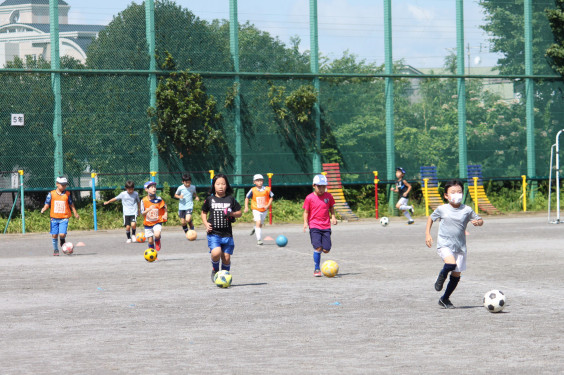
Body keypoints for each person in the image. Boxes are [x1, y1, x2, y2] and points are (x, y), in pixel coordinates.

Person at [425, 179, 483, 309]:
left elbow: (480, 220)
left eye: (459, 192)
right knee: (450, 264)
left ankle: (445, 299)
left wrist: (478, 222)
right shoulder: (442, 209)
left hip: (460, 247)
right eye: (453, 192)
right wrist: (427, 234)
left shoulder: (467, 210)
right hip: (444, 244)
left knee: (456, 275)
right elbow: (431, 218)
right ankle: (442, 275)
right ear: (446, 195)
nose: (457, 194)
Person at [201, 173, 242, 282]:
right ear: (213, 185)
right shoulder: (210, 199)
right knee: (216, 253)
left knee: (226, 258)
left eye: (223, 184)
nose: (220, 186)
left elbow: (239, 213)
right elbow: (203, 212)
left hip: (227, 234)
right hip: (213, 233)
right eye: (218, 184)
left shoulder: (230, 199)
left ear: (227, 186)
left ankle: (224, 277)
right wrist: (206, 224)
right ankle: (215, 270)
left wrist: (232, 214)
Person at [303, 174, 338, 277]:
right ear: (314, 185)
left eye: (324, 186)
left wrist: (333, 217)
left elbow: (331, 207)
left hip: (326, 226)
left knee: (326, 250)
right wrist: (305, 222)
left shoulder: (329, 196)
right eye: (319, 186)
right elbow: (306, 212)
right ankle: (317, 268)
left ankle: (319, 253)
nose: (322, 189)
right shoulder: (309, 198)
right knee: (318, 248)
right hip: (314, 225)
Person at [40, 176, 80, 256]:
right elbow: (47, 204)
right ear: (57, 184)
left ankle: (62, 240)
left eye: (65, 185)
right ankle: (55, 249)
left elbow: (71, 204)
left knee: (62, 234)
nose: (64, 186)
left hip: (64, 217)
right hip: (54, 218)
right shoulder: (51, 194)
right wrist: (44, 209)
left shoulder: (67, 194)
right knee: (54, 235)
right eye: (62, 184)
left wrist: (75, 212)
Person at [244, 174, 274, 245]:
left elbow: (271, 197)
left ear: (263, 181)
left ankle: (255, 228)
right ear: (254, 182)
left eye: (261, 180)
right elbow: (247, 198)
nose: (260, 182)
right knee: (258, 222)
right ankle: (259, 239)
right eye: (258, 181)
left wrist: (268, 205)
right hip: (256, 209)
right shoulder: (253, 190)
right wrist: (246, 207)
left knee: (260, 224)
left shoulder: (267, 189)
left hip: (264, 210)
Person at [141, 181, 167, 252]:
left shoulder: (159, 199)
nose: (154, 189)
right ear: (146, 189)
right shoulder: (143, 201)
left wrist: (165, 214)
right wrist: (148, 209)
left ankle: (157, 240)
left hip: (157, 221)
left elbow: (164, 207)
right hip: (148, 223)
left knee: (157, 234)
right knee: (150, 241)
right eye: (152, 187)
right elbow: (142, 213)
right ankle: (153, 253)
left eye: (155, 187)